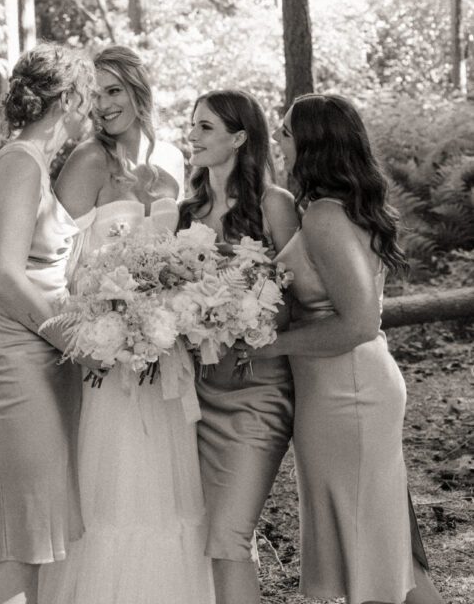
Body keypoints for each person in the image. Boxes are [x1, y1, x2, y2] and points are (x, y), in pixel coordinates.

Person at [239, 92, 442, 604]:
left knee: (367, 548)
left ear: (310, 142)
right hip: (334, 388)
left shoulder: (326, 216)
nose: (279, 139)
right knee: (381, 544)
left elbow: (357, 324)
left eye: (285, 130)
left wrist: (267, 347)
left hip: (349, 390)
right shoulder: (328, 209)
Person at [38, 45, 214, 604]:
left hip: (165, 348)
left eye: (114, 90)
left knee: (169, 487)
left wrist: (176, 305)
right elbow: (50, 259)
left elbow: (183, 251)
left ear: (139, 90)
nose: (105, 104)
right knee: (116, 486)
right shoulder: (89, 159)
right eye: (96, 92)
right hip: (106, 350)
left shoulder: (172, 156)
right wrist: (102, 311)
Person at [0, 42, 97, 604]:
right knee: (25, 552)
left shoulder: (37, 164)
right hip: (13, 372)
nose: (90, 113)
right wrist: (71, 337)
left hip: (41, 365)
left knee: (44, 542)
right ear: (67, 98)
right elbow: (4, 277)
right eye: (86, 99)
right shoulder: (18, 163)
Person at [177, 90, 299, 604]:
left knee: (228, 535)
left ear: (239, 138)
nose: (193, 136)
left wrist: (241, 307)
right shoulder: (186, 212)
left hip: (257, 393)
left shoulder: (276, 205)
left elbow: (300, 298)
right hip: (197, 396)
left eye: (206, 127)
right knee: (214, 539)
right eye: (193, 125)